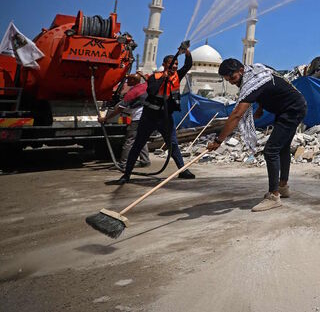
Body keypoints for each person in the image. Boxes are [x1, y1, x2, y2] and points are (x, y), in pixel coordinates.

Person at [207, 59, 307, 212]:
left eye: (232, 78)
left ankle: (274, 196)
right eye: (228, 81)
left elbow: (236, 115)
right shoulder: (257, 71)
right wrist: (261, 107)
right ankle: (283, 186)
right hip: (291, 106)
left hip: (292, 110)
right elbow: (267, 87)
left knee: (270, 150)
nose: (232, 83)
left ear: (241, 70)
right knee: (282, 147)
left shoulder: (250, 82)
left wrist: (219, 140)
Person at [107, 46, 195, 185]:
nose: (175, 67)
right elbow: (152, 90)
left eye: (177, 64)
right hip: (149, 117)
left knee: (173, 144)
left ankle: (182, 170)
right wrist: (163, 79)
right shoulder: (155, 77)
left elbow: (188, 65)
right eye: (172, 64)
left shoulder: (177, 76)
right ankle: (126, 175)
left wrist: (186, 52)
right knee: (138, 144)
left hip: (165, 117)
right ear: (165, 64)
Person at [99, 73, 150, 168]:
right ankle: (145, 160)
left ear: (134, 81)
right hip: (147, 118)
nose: (127, 82)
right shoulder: (145, 86)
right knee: (141, 139)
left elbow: (119, 109)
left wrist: (105, 118)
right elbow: (148, 80)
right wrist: (142, 75)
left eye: (129, 80)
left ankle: (123, 163)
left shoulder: (132, 92)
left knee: (129, 140)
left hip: (137, 119)